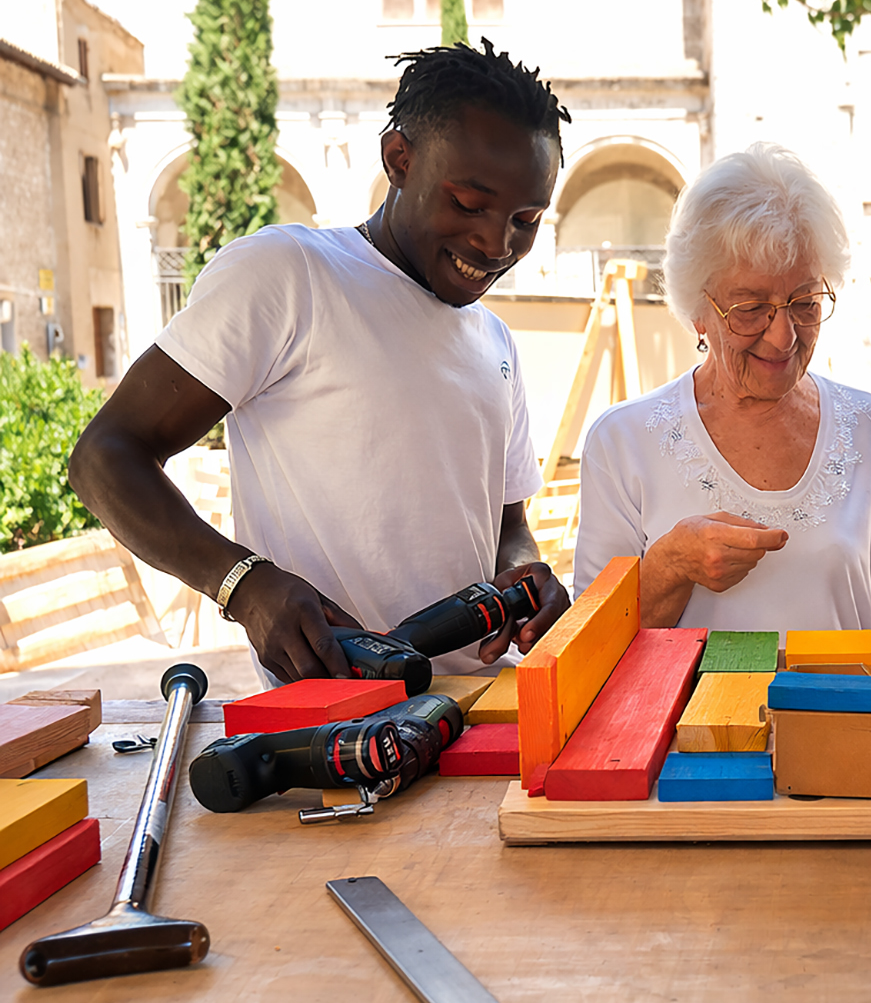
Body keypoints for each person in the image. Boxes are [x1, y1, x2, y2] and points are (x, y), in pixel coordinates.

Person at [69, 41, 572, 685]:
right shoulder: (288, 275)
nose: (495, 243)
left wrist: (524, 576)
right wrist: (243, 586)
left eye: (525, 220)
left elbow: (508, 525)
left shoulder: (496, 341)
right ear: (399, 159)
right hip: (331, 731)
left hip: (482, 719)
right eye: (470, 205)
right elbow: (105, 456)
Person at [572, 144, 871, 636]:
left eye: (804, 302)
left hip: (848, 710)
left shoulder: (869, 426)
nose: (783, 335)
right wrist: (670, 566)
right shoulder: (623, 442)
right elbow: (593, 643)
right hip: (692, 717)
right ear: (698, 309)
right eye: (750, 309)